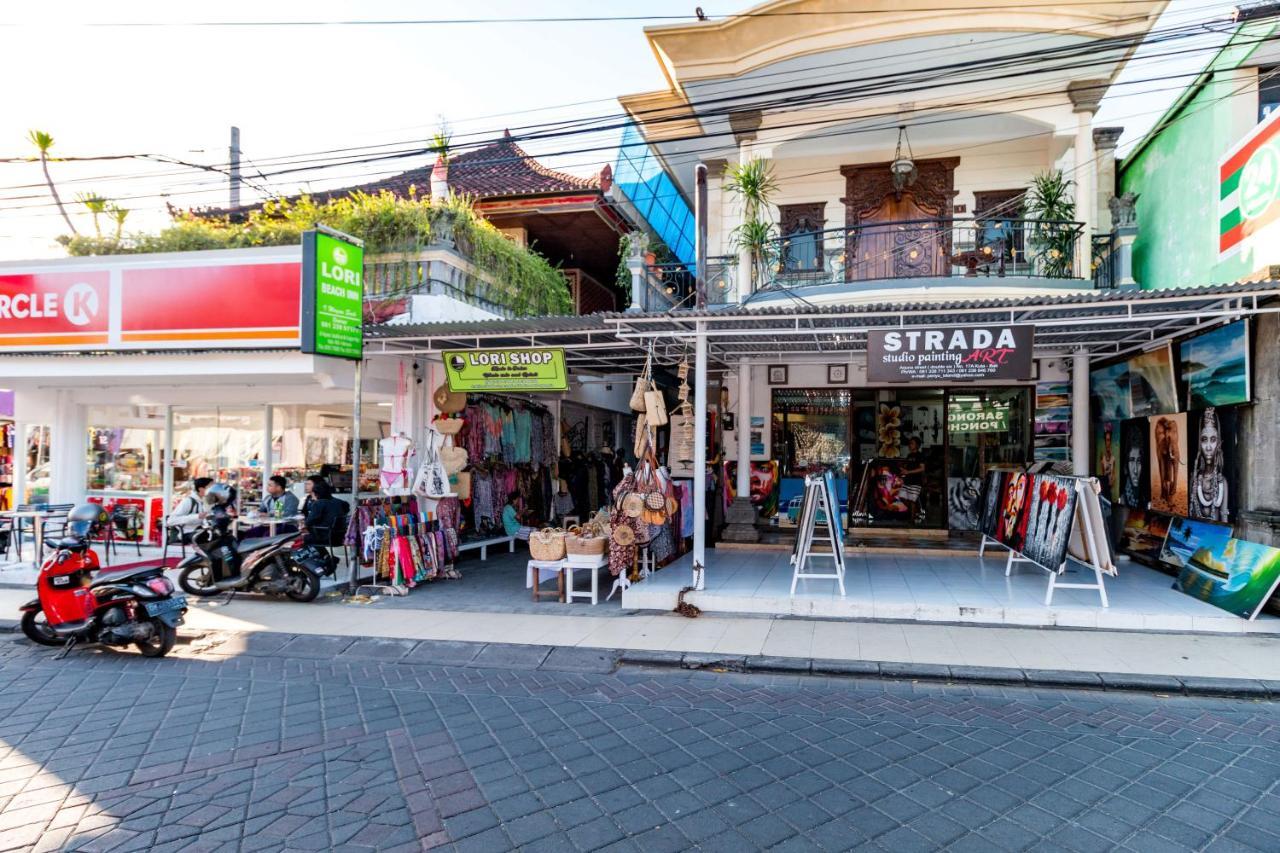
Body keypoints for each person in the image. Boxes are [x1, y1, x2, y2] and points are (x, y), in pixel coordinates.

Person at [300, 477, 348, 549]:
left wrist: (303, 525)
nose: (312, 498)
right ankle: (325, 557)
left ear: (316, 493)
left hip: (325, 537)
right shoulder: (339, 502)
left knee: (300, 538)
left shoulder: (319, 503)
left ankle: (322, 557)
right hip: (340, 537)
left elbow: (308, 522)